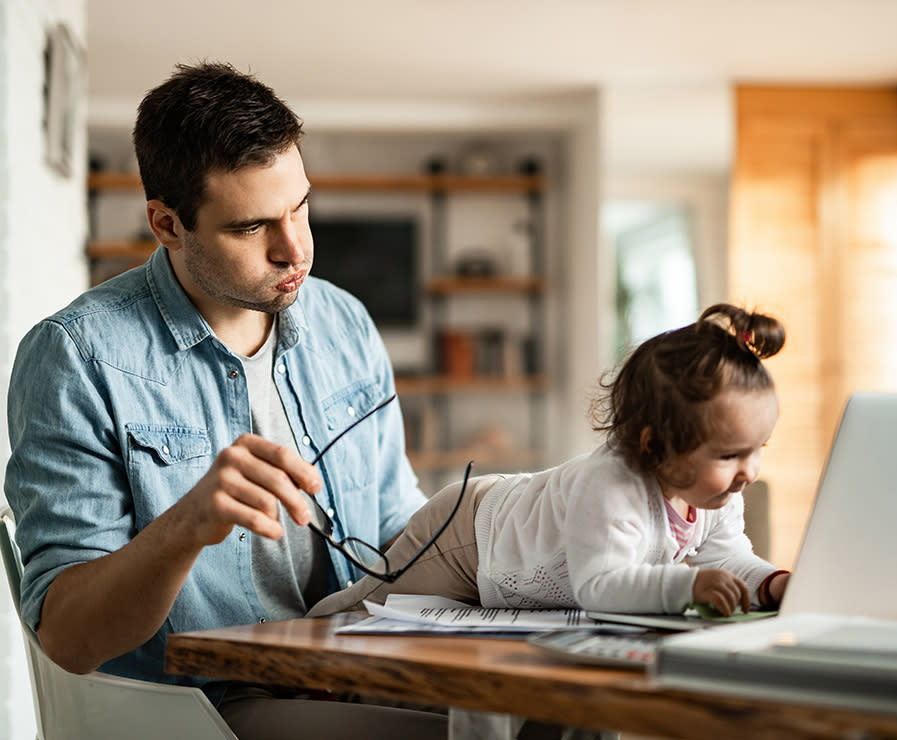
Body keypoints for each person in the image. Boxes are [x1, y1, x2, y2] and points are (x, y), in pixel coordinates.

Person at [4, 62, 447, 739]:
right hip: (200, 706)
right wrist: (183, 528)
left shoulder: (345, 323)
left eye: (300, 207)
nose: (293, 248)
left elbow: (397, 531)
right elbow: (67, 637)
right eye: (250, 228)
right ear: (167, 224)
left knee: (544, 722)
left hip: (358, 675)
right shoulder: (77, 356)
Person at [309, 303, 792, 619]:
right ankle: (293, 649)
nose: (749, 472)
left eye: (758, 450)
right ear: (655, 444)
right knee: (367, 608)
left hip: (505, 566)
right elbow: (600, 585)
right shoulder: (612, 484)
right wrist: (689, 585)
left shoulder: (715, 494)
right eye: (730, 455)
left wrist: (771, 583)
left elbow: (728, 557)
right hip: (470, 536)